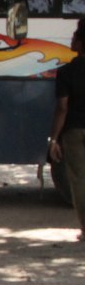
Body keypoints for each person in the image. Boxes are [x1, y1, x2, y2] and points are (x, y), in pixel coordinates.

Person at [49, 17, 85, 241]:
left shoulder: (66, 72)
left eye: (74, 37)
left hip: (73, 132)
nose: (71, 39)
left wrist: (54, 139)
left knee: (79, 180)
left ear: (81, 43)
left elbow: (63, 107)